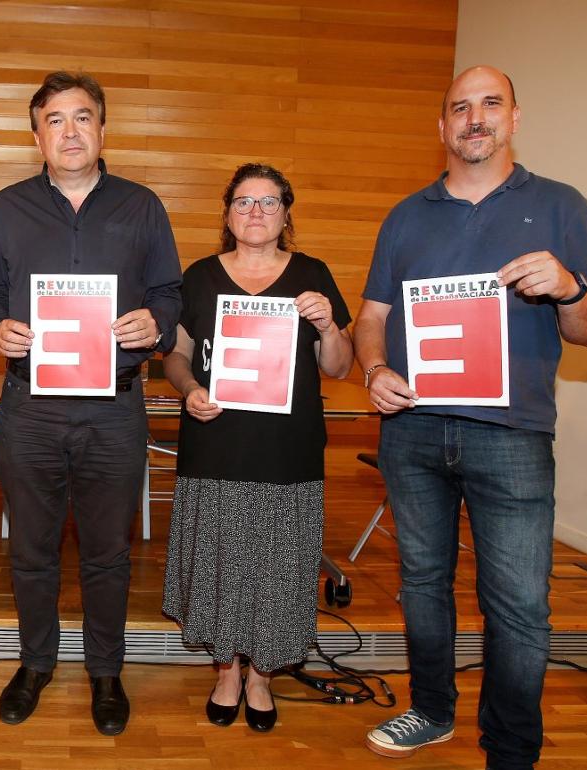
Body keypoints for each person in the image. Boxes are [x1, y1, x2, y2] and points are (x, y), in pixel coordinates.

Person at [355, 66, 587, 768]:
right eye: (460, 107)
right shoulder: (407, 215)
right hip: (411, 431)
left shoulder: (562, 206)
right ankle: (432, 711)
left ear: (515, 118)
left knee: (519, 603)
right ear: (442, 126)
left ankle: (510, 749)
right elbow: (372, 317)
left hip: (513, 437)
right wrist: (375, 370)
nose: (475, 118)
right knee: (422, 585)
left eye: (490, 104)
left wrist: (570, 288)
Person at [0, 71, 182, 736]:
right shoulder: (8, 206)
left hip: (115, 408)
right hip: (28, 406)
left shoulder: (142, 205)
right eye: (55, 119)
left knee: (107, 554)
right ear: (36, 134)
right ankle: (35, 664)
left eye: (82, 117)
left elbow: (170, 292)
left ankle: (105, 672)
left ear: (102, 128)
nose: (70, 131)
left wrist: (157, 323)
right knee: (31, 551)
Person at [161, 163, 353, 732]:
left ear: (286, 214)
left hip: (287, 450)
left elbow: (339, 368)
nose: (255, 212)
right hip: (215, 444)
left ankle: (263, 676)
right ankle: (225, 671)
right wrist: (191, 388)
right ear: (227, 214)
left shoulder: (312, 275)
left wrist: (330, 328)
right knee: (219, 562)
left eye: (268, 202)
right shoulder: (198, 278)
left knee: (281, 566)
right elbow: (173, 355)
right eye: (243, 202)